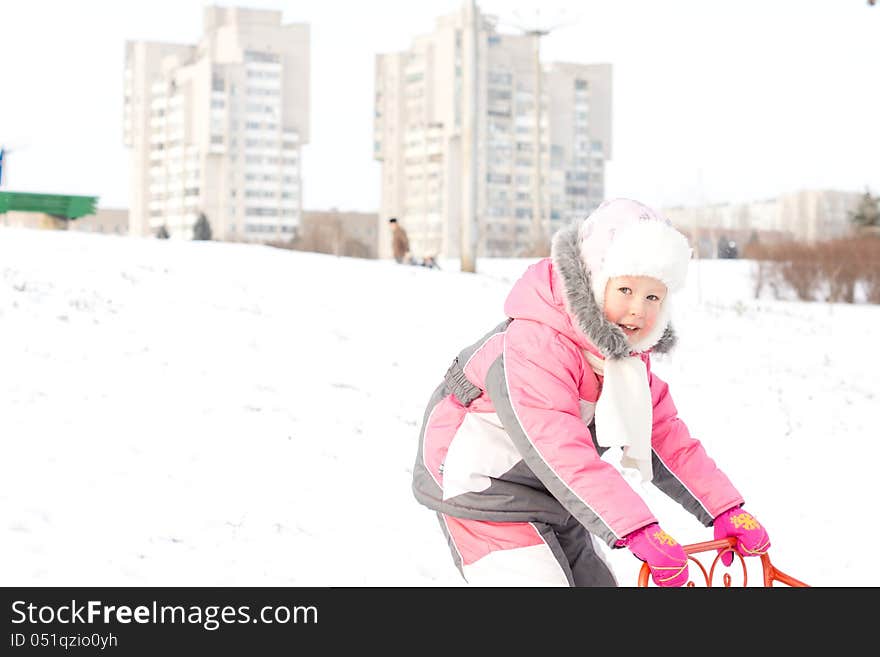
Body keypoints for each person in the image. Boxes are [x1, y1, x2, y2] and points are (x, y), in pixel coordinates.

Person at [411, 198, 770, 587]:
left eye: (653, 297)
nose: (638, 310)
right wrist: (636, 528)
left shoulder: (625, 358)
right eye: (626, 289)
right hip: (482, 488)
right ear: (595, 282)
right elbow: (559, 449)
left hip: (552, 491)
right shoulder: (535, 345)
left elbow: (664, 435)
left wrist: (723, 507)